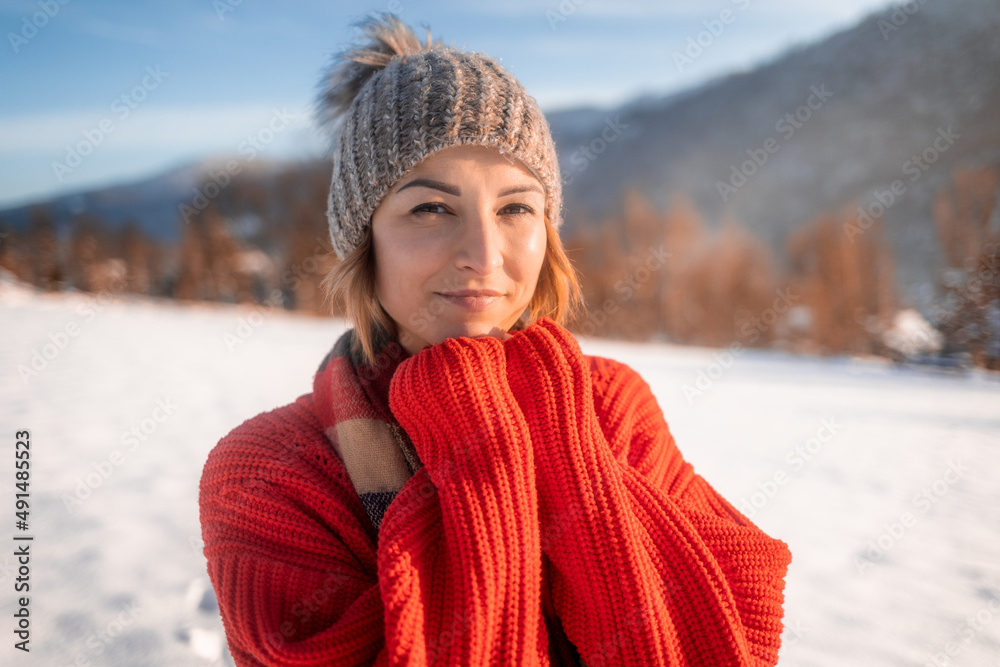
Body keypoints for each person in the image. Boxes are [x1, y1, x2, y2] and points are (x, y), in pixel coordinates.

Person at [198, 12, 792, 666]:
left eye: (516, 208)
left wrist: (569, 457)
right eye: (430, 208)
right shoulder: (271, 469)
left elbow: (738, 619)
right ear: (364, 239)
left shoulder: (612, 406)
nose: (484, 254)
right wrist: (477, 443)